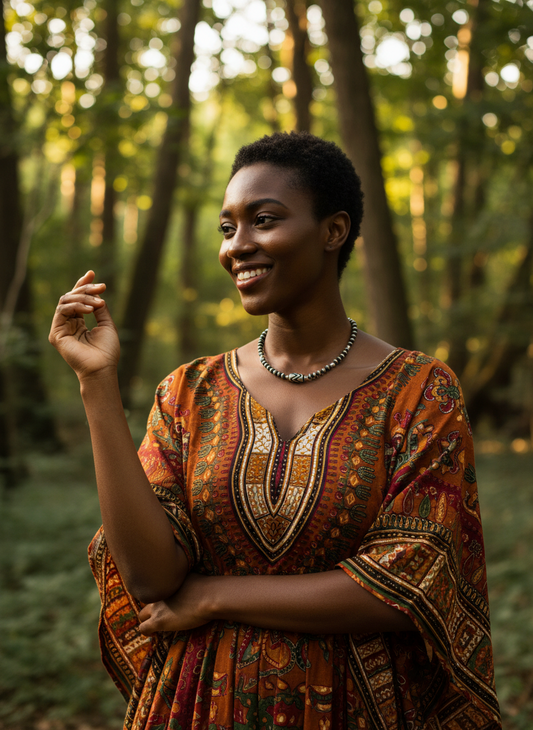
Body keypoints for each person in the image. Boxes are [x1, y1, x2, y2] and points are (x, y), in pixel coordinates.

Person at [49, 132, 501, 730]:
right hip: (193, 705)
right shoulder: (189, 392)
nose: (238, 247)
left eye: (263, 220)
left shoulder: (418, 392)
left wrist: (211, 596)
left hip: (356, 706)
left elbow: (407, 586)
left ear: (333, 231)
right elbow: (150, 578)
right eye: (227, 227)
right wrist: (97, 385)